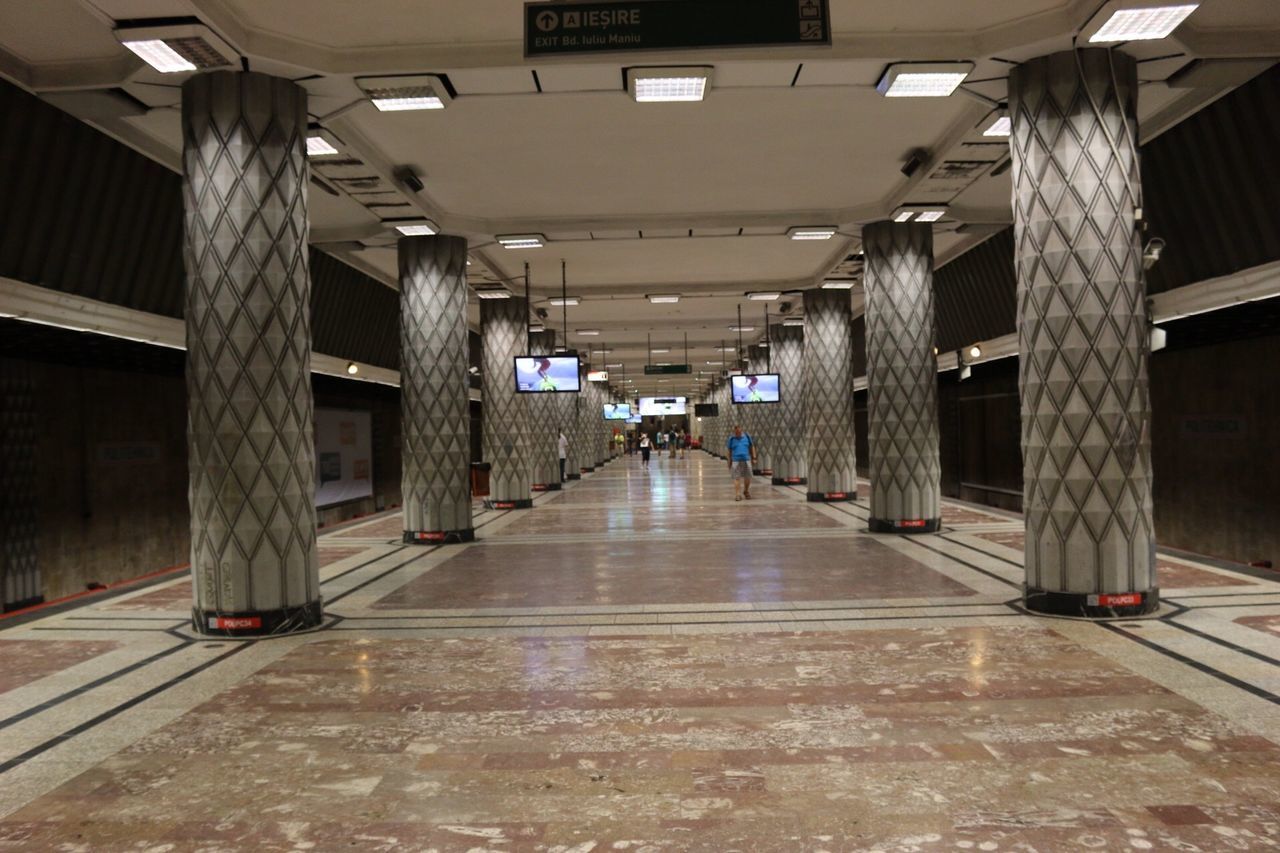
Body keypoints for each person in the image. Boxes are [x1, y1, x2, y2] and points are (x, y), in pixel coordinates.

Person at [726, 424, 756, 501]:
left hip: (746, 459)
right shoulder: (731, 439)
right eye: (736, 432)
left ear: (741, 430)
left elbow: (752, 447)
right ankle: (737, 494)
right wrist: (729, 461)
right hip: (736, 460)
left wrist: (754, 457)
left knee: (748, 477)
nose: (737, 434)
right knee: (736, 478)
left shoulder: (747, 436)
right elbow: (729, 451)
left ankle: (746, 491)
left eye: (738, 432)